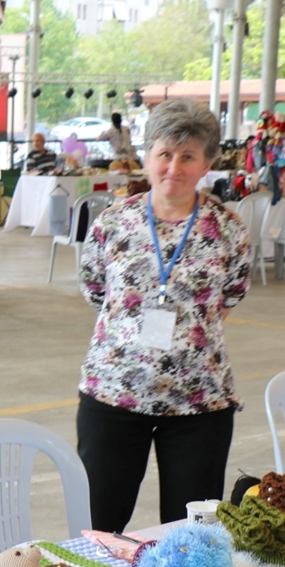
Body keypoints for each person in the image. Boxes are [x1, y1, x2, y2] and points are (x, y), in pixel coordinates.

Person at [76, 97, 251, 531]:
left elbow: (230, 297)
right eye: (165, 154)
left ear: (207, 163)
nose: (174, 167)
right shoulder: (112, 223)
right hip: (115, 393)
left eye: (188, 156)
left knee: (190, 536)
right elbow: (95, 289)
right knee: (98, 526)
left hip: (200, 401)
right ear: (147, 156)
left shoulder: (228, 229)